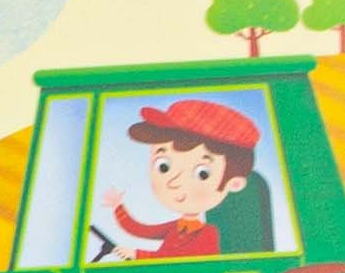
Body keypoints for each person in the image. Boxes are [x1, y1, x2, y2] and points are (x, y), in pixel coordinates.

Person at [110, 95, 271, 258]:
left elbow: (180, 260)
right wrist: (118, 207)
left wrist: (138, 254)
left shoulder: (208, 234)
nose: (174, 182)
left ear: (234, 184)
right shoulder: (176, 227)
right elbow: (142, 230)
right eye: (163, 166)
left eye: (202, 173)